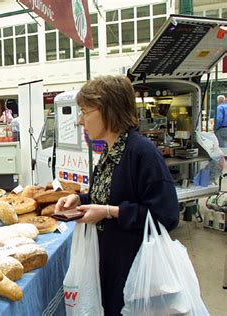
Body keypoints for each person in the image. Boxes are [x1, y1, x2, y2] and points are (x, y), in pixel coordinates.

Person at [55, 75, 179, 315]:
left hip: (133, 274)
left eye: (84, 112)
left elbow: (167, 215)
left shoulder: (141, 152)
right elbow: (108, 196)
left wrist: (110, 213)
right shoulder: (110, 150)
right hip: (109, 267)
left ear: (107, 110)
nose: (80, 121)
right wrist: (80, 200)